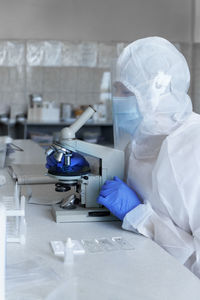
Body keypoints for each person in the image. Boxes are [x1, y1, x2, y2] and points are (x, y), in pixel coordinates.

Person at [97, 36, 200, 278]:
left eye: (126, 91)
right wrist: (91, 166)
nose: (116, 99)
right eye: (116, 90)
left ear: (156, 92)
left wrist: (141, 217)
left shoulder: (193, 146)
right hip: (141, 269)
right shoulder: (141, 137)